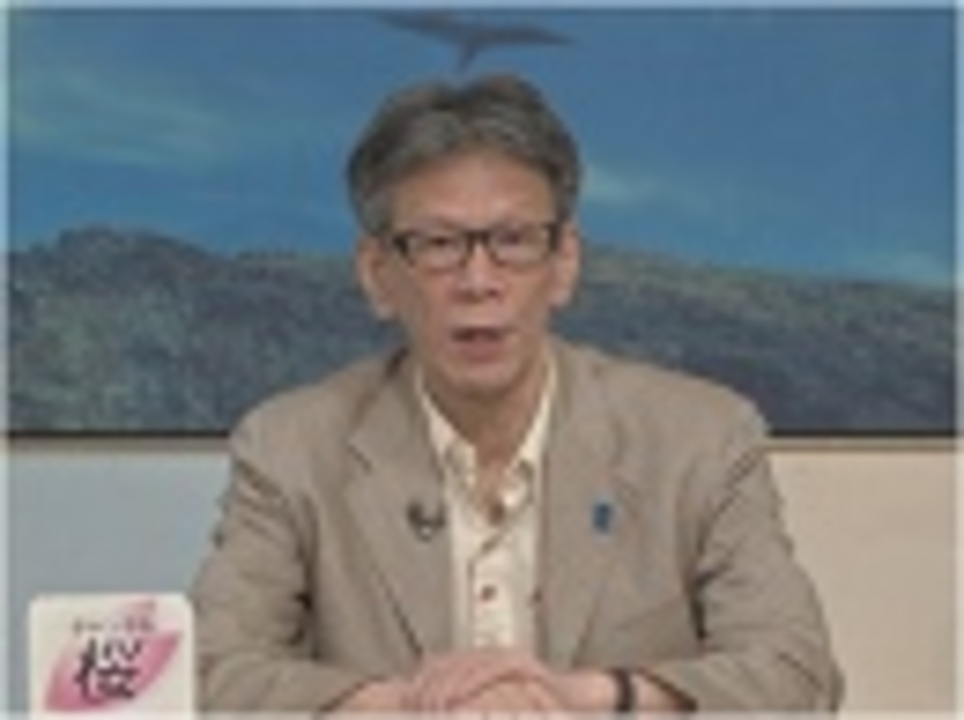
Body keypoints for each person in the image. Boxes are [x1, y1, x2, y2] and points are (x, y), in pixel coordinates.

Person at [192, 73, 843, 714]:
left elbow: (798, 675)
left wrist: (586, 697)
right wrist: (414, 706)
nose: (479, 281)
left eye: (513, 241)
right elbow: (206, 672)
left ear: (564, 263)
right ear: (378, 274)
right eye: (439, 245)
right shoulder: (292, 448)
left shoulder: (699, 438)